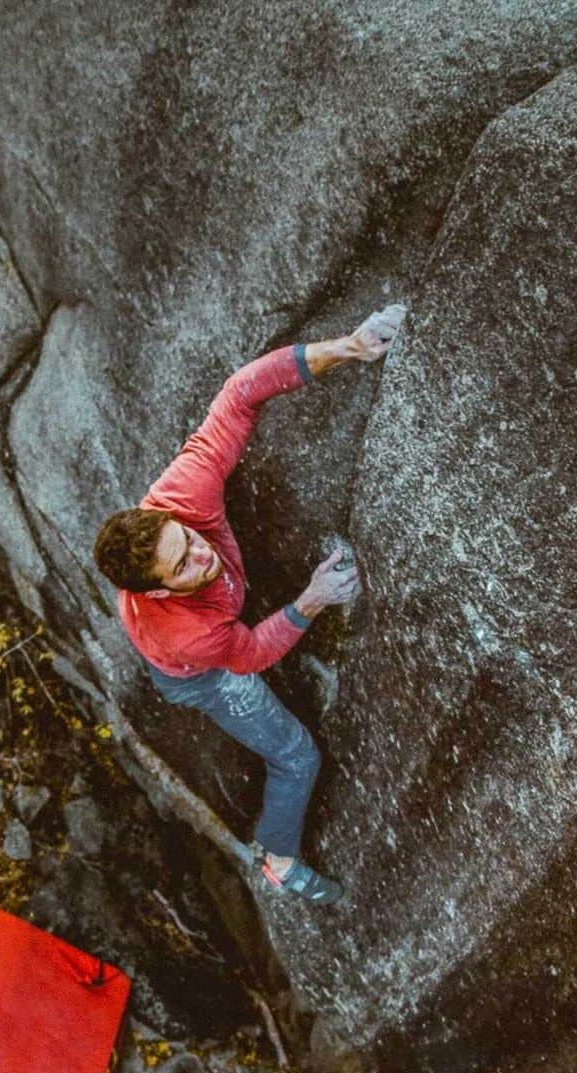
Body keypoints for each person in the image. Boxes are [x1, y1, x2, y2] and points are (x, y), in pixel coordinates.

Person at [92, 306, 406, 904]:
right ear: (155, 589)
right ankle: (279, 861)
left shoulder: (182, 497)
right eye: (182, 564)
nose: (201, 555)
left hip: (201, 633)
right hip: (200, 674)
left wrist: (351, 346)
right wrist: (311, 600)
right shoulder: (191, 635)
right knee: (295, 756)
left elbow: (238, 395)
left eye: (188, 539)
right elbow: (250, 653)